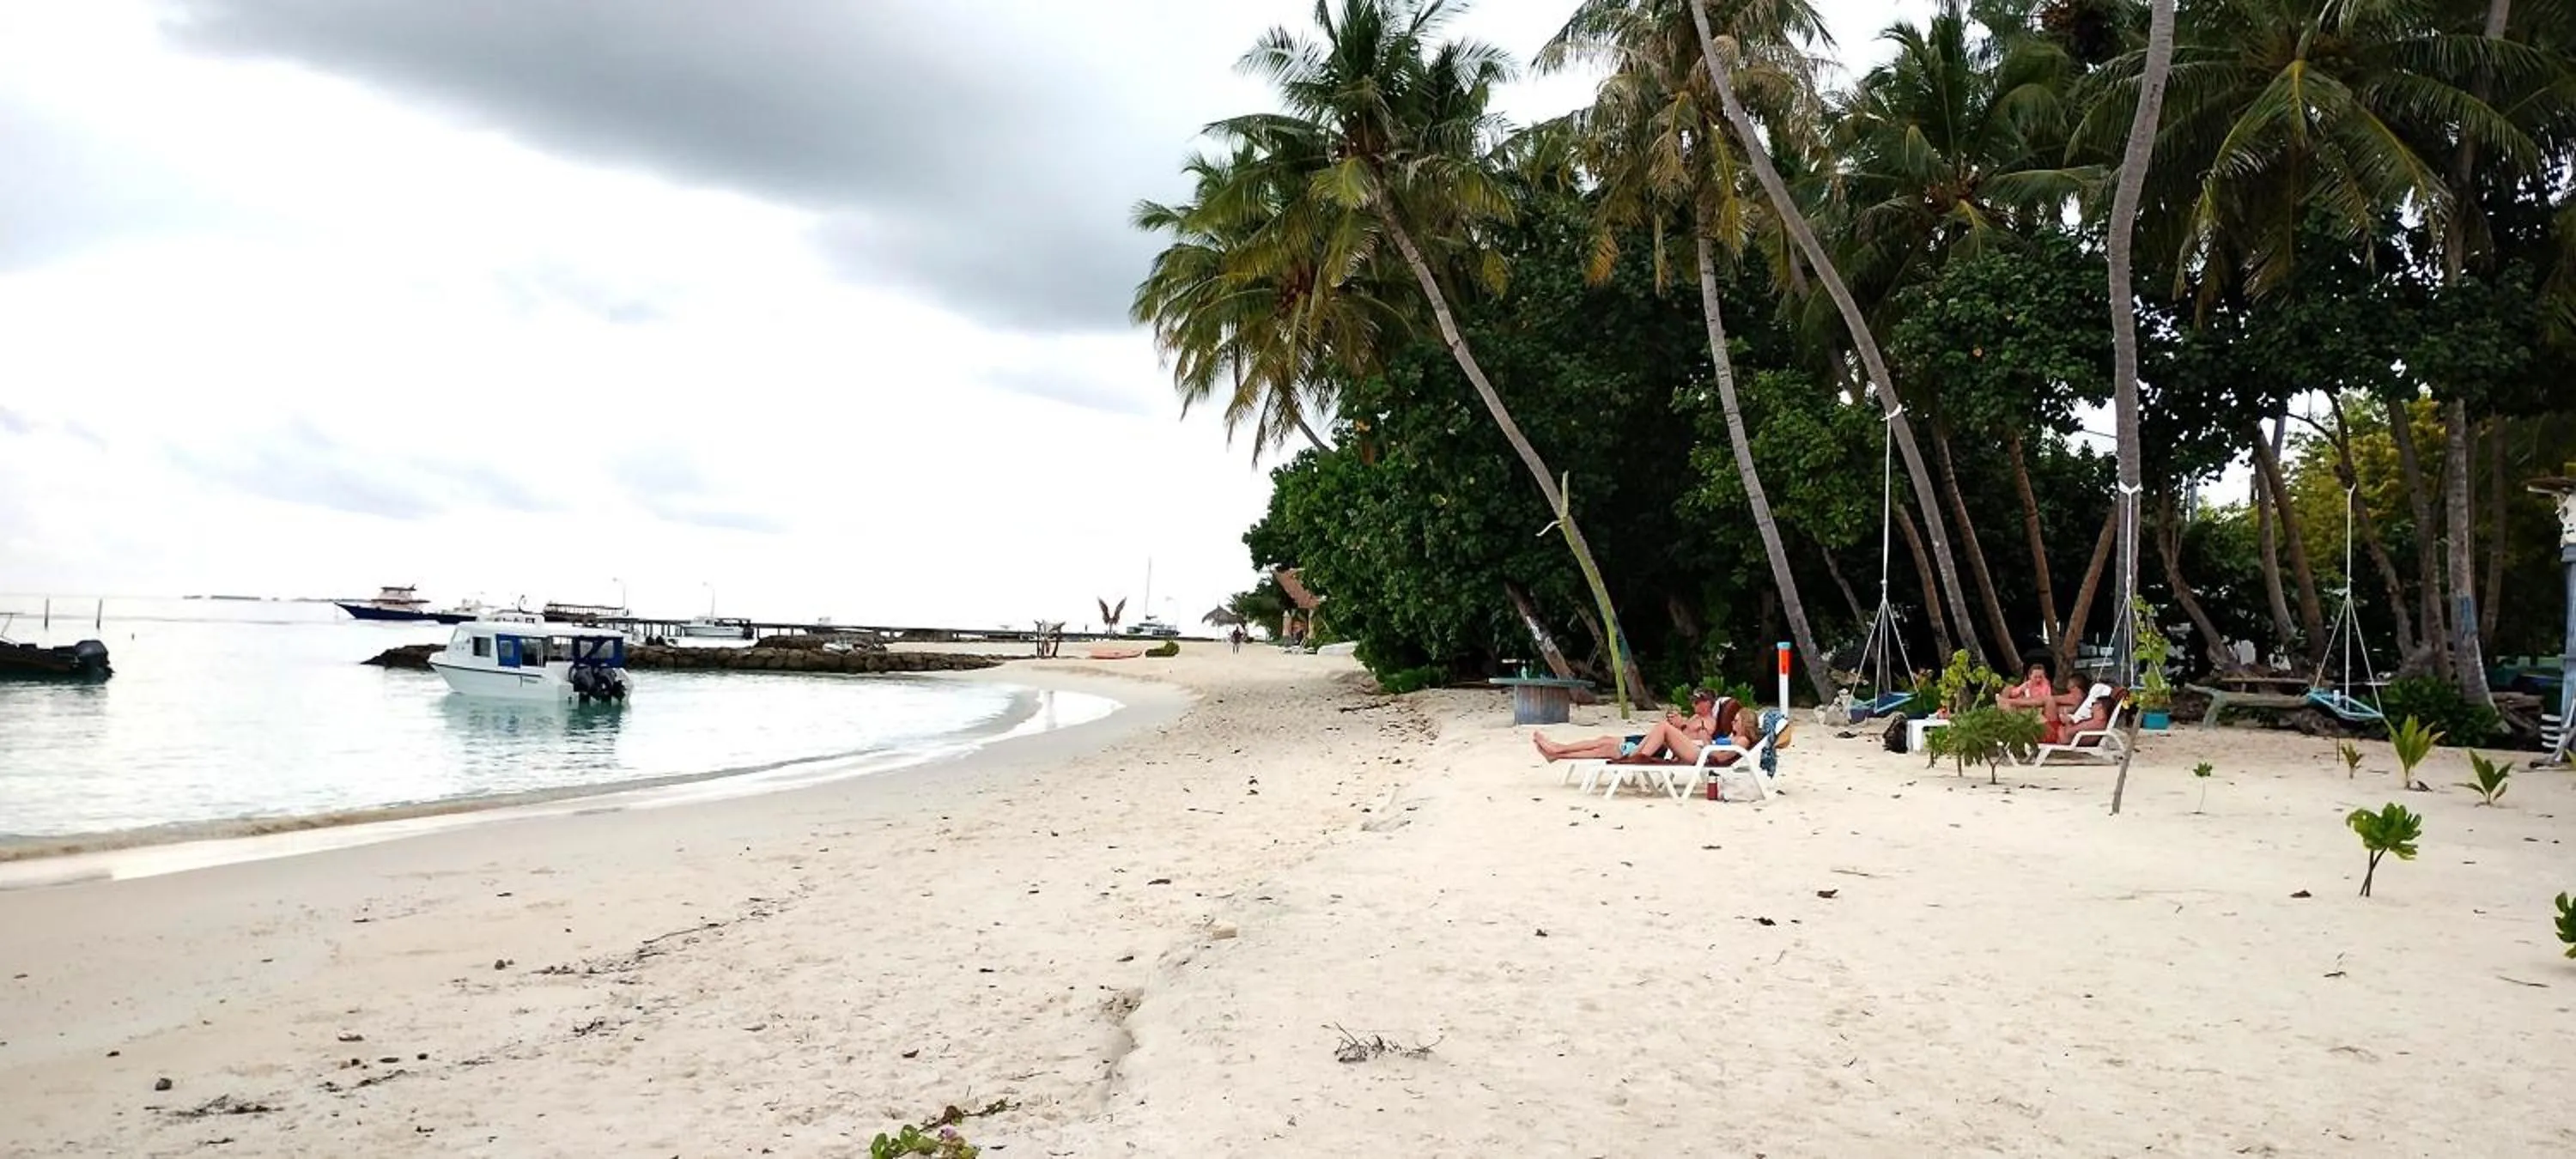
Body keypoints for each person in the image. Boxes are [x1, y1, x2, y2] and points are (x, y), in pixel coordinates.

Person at [1533, 689, 1751, 765]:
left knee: (1604, 747)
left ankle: (1558, 752)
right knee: (1604, 741)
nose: (1693, 704)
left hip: (1663, 748)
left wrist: (1680, 726)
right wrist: (1681, 722)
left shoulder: (1709, 723)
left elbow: (1695, 741)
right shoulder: (1695, 717)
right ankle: (1558, 751)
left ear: (1708, 703)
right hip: (1658, 742)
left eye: (1697, 701)